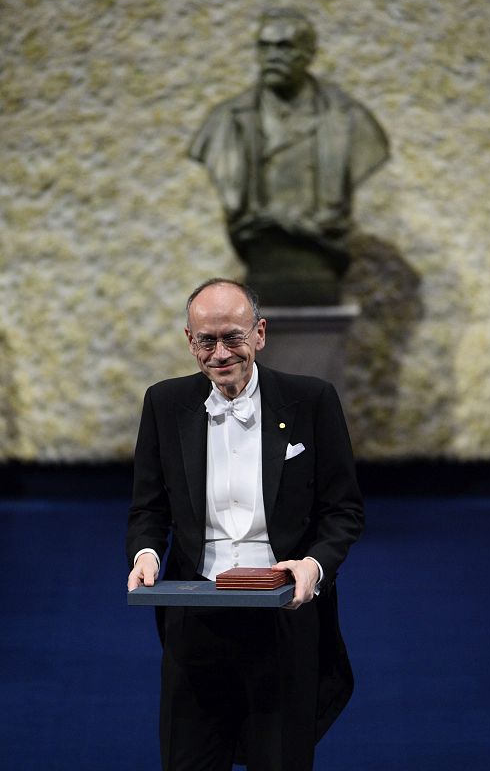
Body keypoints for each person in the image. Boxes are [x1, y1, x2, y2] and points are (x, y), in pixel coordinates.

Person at [126, 278, 364, 770]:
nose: (220, 353)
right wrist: (146, 554)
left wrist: (314, 567)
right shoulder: (164, 404)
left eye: (233, 337)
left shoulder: (311, 401)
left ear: (259, 333)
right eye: (206, 340)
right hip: (195, 618)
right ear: (189, 341)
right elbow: (148, 508)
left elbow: (343, 510)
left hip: (283, 616)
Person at [189, 8, 389, 305]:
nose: (272, 56)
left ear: (309, 54)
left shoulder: (350, 120)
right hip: (262, 257)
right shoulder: (227, 121)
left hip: (320, 263)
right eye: (264, 46)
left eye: (284, 47)